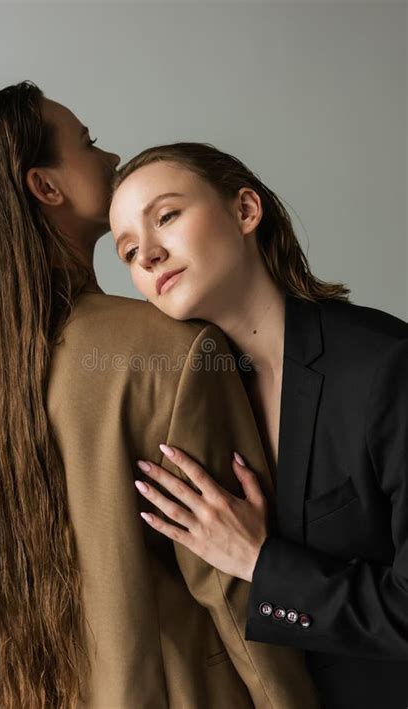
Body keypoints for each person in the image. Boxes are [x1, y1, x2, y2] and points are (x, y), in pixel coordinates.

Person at [0, 82, 321, 708]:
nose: (111, 158)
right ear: (46, 187)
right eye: (87, 144)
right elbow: (231, 586)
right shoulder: (171, 350)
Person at [109, 142, 408, 709]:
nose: (147, 255)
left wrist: (257, 560)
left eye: (167, 216)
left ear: (246, 211)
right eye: (126, 251)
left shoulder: (384, 365)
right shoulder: (196, 401)